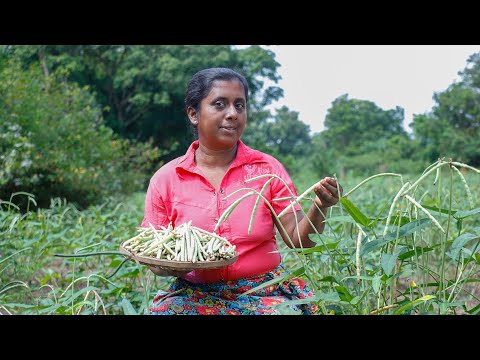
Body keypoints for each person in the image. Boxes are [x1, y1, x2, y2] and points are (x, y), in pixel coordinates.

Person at [141, 67, 342, 315]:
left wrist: (319, 206)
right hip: (193, 295)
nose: (232, 114)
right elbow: (152, 256)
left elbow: (299, 241)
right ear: (194, 114)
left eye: (240, 105)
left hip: (264, 292)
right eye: (219, 104)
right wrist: (174, 266)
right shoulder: (167, 179)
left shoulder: (266, 169)